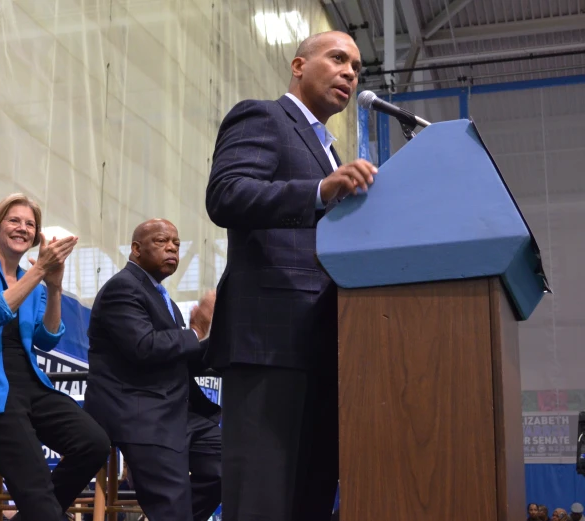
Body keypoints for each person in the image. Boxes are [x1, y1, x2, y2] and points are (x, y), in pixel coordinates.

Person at [204, 31, 377, 521]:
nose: (349, 72)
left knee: (310, 501)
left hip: (326, 344)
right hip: (270, 342)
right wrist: (319, 191)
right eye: (338, 58)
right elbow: (228, 195)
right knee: (263, 500)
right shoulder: (263, 116)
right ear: (299, 66)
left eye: (357, 68)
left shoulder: (332, 154)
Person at [0, 193, 110, 521]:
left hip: (29, 383)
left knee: (94, 443)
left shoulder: (36, 285)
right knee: (36, 483)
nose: (23, 228)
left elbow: (46, 338)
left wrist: (54, 286)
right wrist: (40, 270)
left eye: (30, 224)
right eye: (14, 220)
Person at [84, 218, 222, 521]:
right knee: (171, 507)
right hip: (141, 412)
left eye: (175, 242)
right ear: (136, 249)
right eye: (161, 241)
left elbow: (179, 357)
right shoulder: (122, 288)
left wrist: (221, 344)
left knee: (228, 467)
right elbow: (143, 347)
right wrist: (196, 331)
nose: (172, 247)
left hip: (177, 411)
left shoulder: (165, 300)